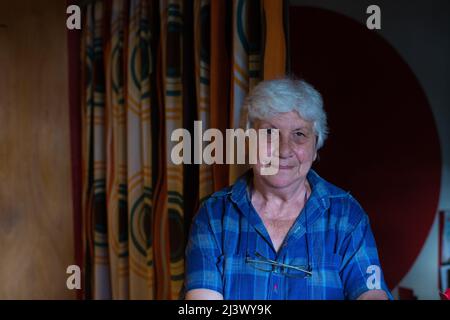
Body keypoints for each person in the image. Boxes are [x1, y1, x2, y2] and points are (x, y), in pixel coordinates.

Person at [184, 78, 392, 300]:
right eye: (269, 133)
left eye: (299, 134)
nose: (284, 150)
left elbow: (372, 295)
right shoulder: (214, 216)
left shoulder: (347, 215)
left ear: (315, 147)